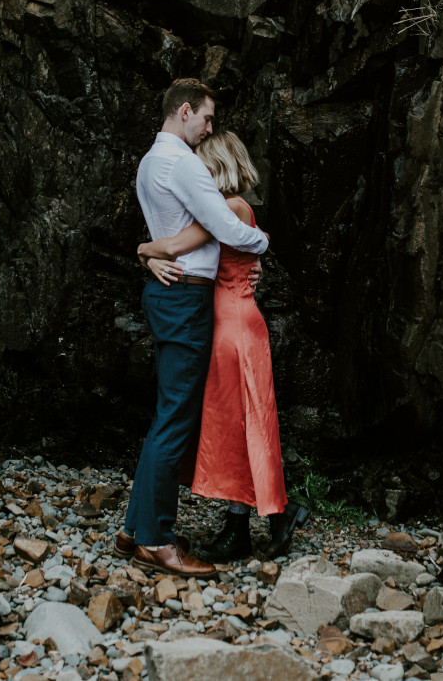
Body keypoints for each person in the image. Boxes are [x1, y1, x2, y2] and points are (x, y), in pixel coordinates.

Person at [121, 79, 270, 578]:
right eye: (206, 118)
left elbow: (167, 232)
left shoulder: (148, 162)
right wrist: (263, 240)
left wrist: (147, 253)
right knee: (176, 421)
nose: (210, 129)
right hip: (187, 298)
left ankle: (134, 528)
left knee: (166, 415)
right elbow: (225, 226)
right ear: (184, 111)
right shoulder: (183, 163)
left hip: (170, 292)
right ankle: (158, 541)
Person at [137, 130, 309, 562]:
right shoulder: (238, 209)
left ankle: (256, 521)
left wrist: (143, 250)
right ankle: (261, 519)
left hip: (233, 328)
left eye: (202, 167)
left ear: (216, 167)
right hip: (235, 323)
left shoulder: (226, 209)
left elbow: (176, 245)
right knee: (243, 424)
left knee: (242, 424)